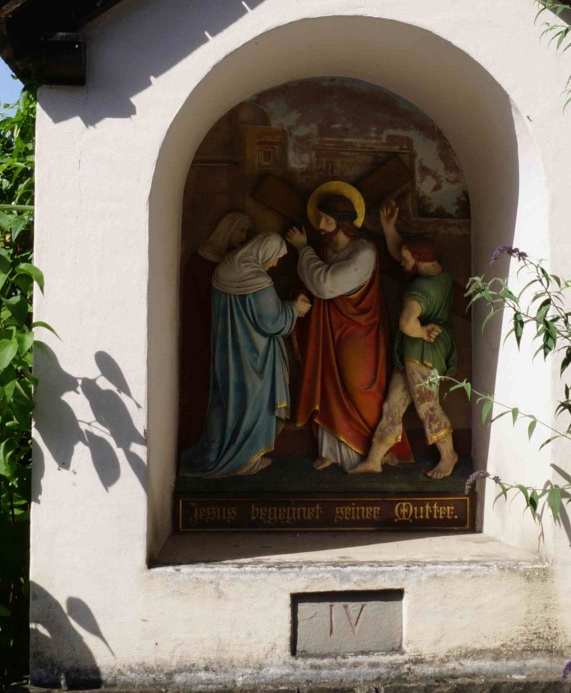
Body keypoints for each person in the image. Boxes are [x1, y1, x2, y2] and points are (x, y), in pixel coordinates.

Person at [289, 189, 409, 470]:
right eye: (320, 219)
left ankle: (372, 452)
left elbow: (325, 284)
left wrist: (302, 250)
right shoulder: (324, 250)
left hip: (360, 334)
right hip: (328, 330)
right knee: (329, 385)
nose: (320, 226)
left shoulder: (364, 252)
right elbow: (308, 282)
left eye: (327, 220)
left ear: (343, 223)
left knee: (360, 389)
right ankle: (332, 451)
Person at [182, 233, 310, 477]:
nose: (274, 264)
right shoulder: (257, 280)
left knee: (226, 403)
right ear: (264, 252)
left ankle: (215, 452)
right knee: (253, 407)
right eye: (275, 258)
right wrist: (295, 308)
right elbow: (273, 321)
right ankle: (244, 461)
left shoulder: (224, 271)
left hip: (227, 353)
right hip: (254, 359)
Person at [352, 203, 459, 478]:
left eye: (406, 260)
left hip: (423, 351)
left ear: (418, 260)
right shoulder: (439, 273)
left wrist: (421, 332)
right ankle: (375, 459)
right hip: (416, 351)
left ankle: (448, 456)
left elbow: (406, 323)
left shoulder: (420, 289)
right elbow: (404, 252)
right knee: (393, 405)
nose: (401, 263)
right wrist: (389, 228)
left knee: (427, 405)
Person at [179, 211, 254, 448]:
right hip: (202, 330)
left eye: (247, 232)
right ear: (228, 228)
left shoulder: (227, 259)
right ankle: (197, 441)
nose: (244, 236)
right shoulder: (204, 258)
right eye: (241, 230)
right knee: (201, 385)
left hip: (219, 331)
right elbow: (202, 298)